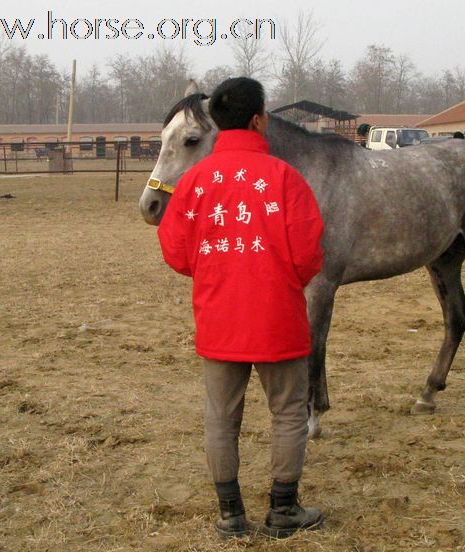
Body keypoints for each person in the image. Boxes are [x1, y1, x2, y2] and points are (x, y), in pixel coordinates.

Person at [157, 77, 325, 539]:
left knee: (221, 417)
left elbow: (175, 250)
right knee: (289, 412)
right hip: (278, 319)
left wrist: (216, 274)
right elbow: (310, 253)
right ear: (259, 120)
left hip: (220, 320)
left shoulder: (192, 183)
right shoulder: (286, 179)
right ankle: (283, 510)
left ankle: (231, 515)